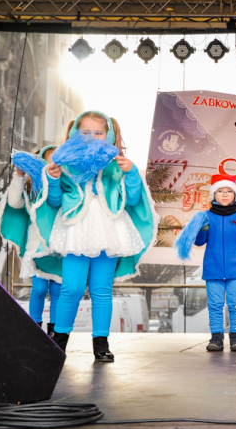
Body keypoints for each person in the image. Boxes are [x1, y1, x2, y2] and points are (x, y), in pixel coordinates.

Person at [44, 111, 157, 361]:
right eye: (86, 132)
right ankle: (58, 343)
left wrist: (131, 174)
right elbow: (54, 201)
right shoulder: (66, 164)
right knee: (70, 289)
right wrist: (52, 180)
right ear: (76, 134)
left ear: (109, 136)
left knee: (101, 290)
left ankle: (101, 344)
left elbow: (135, 199)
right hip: (76, 229)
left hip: (109, 228)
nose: (93, 137)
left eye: (99, 133)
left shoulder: (117, 164)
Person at [192, 174, 236, 352]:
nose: (224, 194)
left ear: (234, 196)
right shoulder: (205, 216)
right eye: (220, 191)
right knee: (215, 305)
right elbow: (199, 242)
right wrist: (201, 229)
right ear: (213, 194)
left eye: (229, 191)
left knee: (235, 304)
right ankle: (216, 338)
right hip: (213, 269)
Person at [0, 145, 63, 335]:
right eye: (48, 161)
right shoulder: (31, 188)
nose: (53, 165)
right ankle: (35, 330)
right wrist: (20, 176)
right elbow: (14, 202)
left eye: (57, 161)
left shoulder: (65, 184)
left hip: (60, 246)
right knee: (39, 289)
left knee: (58, 292)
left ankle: (55, 331)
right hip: (36, 245)